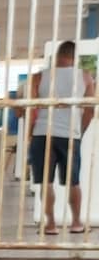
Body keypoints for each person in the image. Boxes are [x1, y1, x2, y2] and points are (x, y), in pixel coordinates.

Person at [27, 39, 93, 233]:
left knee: (45, 181)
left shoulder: (39, 77)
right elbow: (89, 110)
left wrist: (30, 134)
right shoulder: (85, 76)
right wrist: (79, 130)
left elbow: (31, 109)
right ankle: (76, 223)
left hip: (42, 133)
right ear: (74, 57)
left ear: (57, 56)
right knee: (73, 182)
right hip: (70, 135)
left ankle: (50, 225)